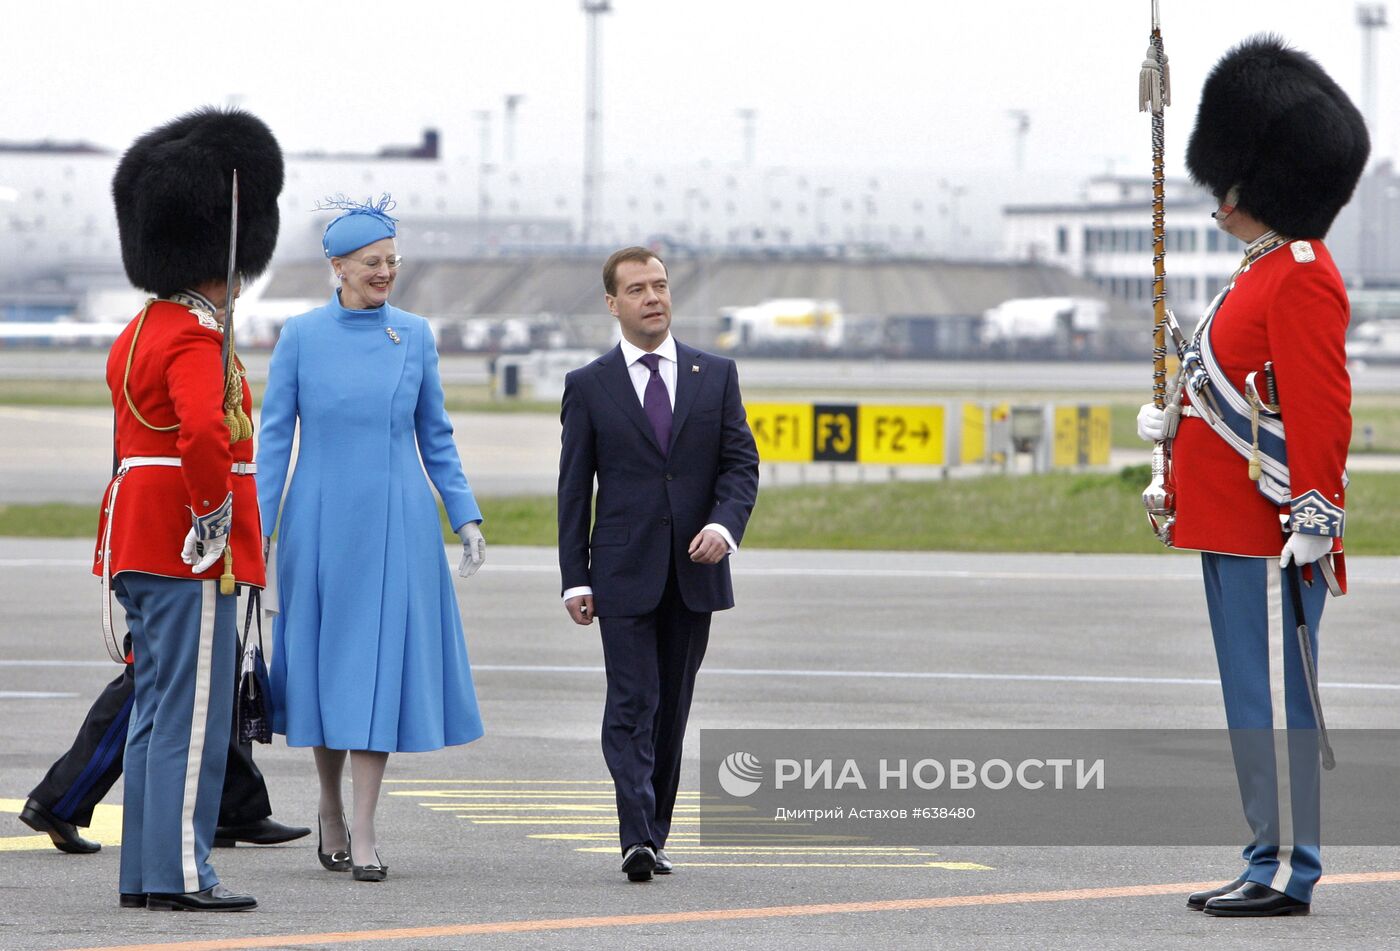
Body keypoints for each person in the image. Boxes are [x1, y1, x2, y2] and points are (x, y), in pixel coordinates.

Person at [1137, 36, 1366, 917]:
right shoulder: (1259, 271)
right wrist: (1176, 432)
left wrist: (1316, 510)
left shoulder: (1301, 276)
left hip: (1275, 532)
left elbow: (1320, 407)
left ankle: (1293, 868)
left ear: (1261, 182)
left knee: (1280, 705)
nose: (1217, 199)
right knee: (1248, 703)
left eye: (1227, 182)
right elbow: (1240, 391)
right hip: (1230, 525)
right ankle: (1261, 852)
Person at [256, 196, 486, 883]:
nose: (386, 271)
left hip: (397, 520)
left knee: (375, 670)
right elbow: (273, 442)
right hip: (320, 521)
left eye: (392, 260)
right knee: (327, 671)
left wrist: (464, 514)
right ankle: (328, 805)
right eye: (373, 262)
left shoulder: (413, 335)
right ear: (338, 267)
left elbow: (435, 434)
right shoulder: (299, 336)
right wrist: (255, 530)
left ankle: (364, 826)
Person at [93, 107, 284, 911]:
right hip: (187, 540)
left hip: (140, 531)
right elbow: (205, 430)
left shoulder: (142, 328)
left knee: (156, 714)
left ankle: (145, 872)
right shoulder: (196, 338)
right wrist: (212, 515)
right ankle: (180, 871)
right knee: (196, 719)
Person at [558, 246, 760, 882]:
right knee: (631, 704)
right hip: (620, 572)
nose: (653, 297)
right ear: (613, 304)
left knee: (671, 710)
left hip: (694, 574)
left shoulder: (715, 374)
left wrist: (725, 526)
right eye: (638, 289)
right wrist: (575, 576)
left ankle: (656, 831)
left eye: (661, 286)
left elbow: (741, 465)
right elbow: (573, 488)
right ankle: (635, 836)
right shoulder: (589, 386)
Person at [20, 637, 309, 855]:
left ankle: (234, 805)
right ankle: (61, 798)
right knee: (151, 676)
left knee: (217, 661)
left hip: (186, 568)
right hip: (175, 568)